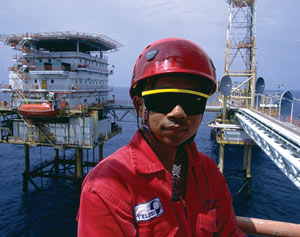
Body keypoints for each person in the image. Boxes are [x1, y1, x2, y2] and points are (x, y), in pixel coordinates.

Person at [77, 38, 245, 236]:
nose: (178, 113)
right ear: (139, 106)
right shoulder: (109, 186)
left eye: (193, 102)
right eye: (164, 99)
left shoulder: (208, 172)